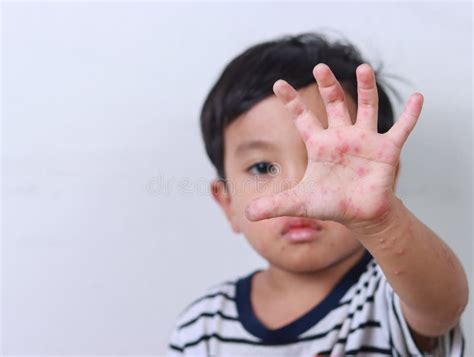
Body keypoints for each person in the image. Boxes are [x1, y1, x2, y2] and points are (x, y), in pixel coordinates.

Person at [167, 32, 468, 356]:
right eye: (262, 168)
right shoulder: (203, 327)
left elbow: (442, 304)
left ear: (384, 183)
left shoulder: (391, 296)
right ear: (227, 202)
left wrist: (383, 222)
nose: (300, 189)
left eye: (332, 162)